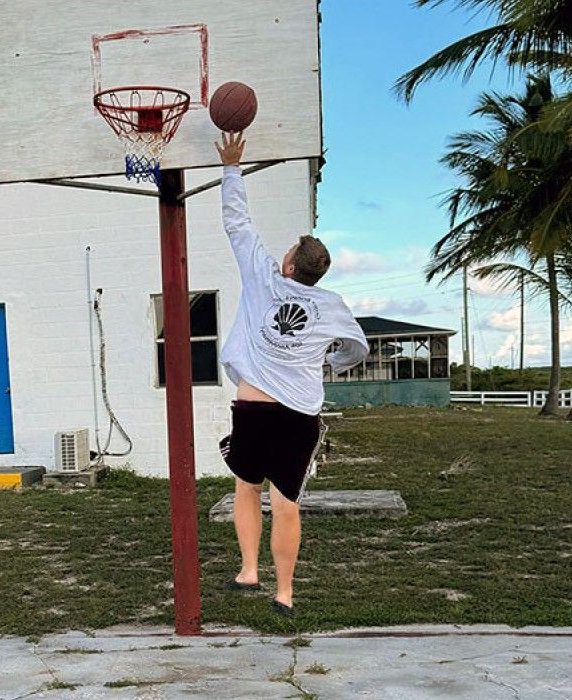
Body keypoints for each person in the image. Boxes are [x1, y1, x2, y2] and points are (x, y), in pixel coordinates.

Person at [214, 132, 368, 617]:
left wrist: (232, 166)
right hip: (300, 412)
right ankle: (285, 592)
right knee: (287, 502)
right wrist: (328, 363)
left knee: (246, 488)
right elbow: (357, 349)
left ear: (288, 263)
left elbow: (238, 224)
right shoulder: (332, 306)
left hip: (255, 404)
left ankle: (248, 570)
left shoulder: (263, 275)